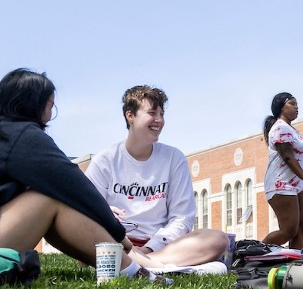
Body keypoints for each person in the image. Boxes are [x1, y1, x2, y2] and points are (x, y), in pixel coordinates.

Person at [0, 68, 158, 279]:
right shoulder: (20, 135)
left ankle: (118, 268)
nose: (52, 111)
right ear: (35, 104)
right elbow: (75, 186)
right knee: (48, 198)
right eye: (51, 104)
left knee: (46, 197)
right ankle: (135, 272)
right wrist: (119, 235)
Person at [83, 85, 229, 270]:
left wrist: (149, 248)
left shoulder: (174, 158)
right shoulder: (104, 160)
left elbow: (182, 218)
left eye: (162, 114)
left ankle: (141, 265)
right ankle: (160, 267)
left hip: (160, 247)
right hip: (117, 242)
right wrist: (106, 215)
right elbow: (86, 212)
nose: (159, 120)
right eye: (152, 113)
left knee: (217, 239)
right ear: (130, 115)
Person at [261, 92, 303, 248]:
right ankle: (252, 253)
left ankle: (295, 266)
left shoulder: (292, 130)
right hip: (281, 184)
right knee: (289, 230)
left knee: (301, 229)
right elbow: (288, 157)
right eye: (292, 103)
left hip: (297, 185)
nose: (296, 107)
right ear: (282, 107)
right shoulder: (280, 128)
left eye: (297, 104)